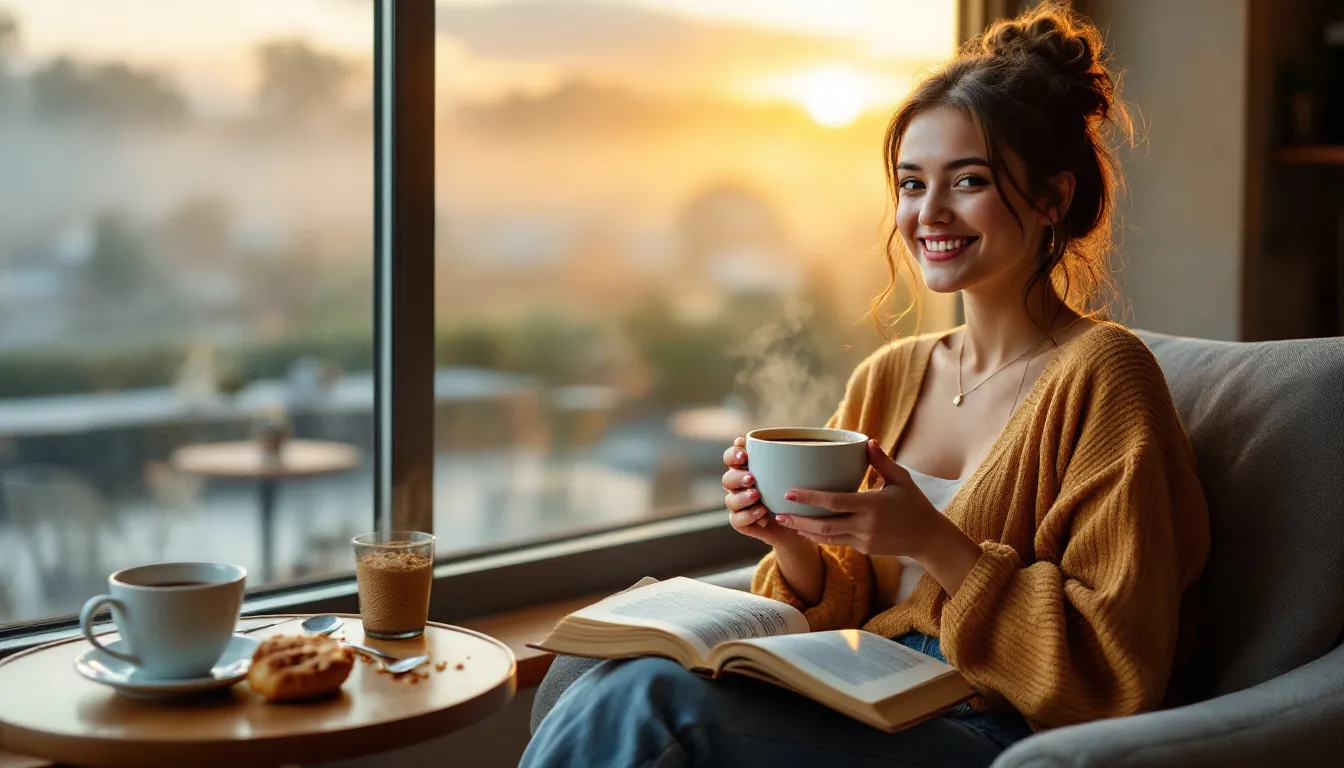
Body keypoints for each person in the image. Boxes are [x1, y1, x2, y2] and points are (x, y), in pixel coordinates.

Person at [520, 4, 1211, 766]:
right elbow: (840, 605)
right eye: (912, 184)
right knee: (613, 673)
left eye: (968, 181)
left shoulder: (1105, 377)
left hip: (991, 730)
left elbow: (1113, 668)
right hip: (859, 697)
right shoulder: (889, 375)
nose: (929, 213)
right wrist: (789, 543)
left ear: (1052, 198)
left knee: (650, 704)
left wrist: (935, 543)